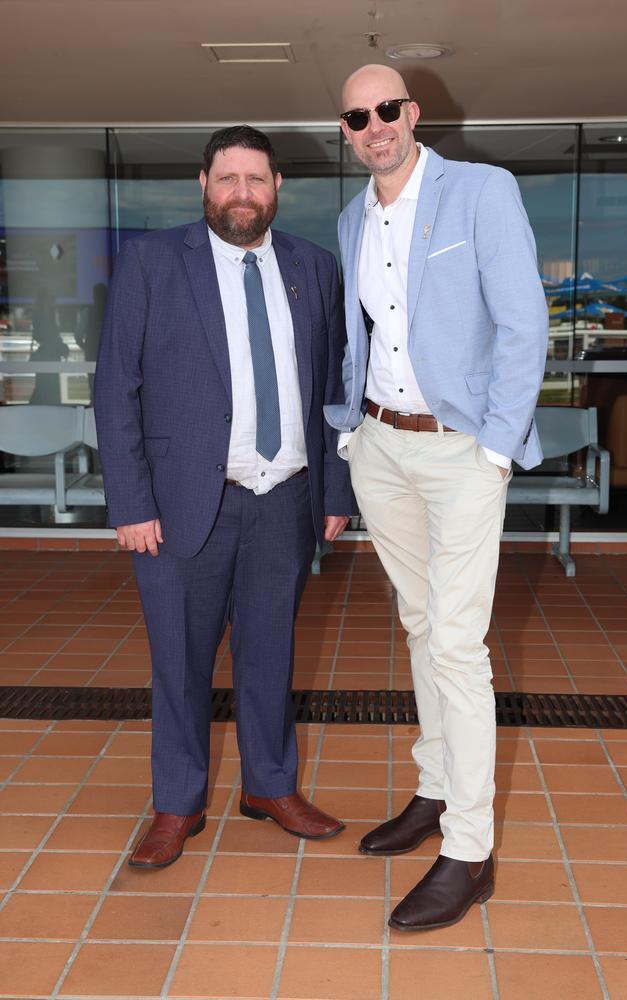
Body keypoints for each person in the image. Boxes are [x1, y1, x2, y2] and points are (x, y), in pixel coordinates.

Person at [95, 125, 356, 869]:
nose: (242, 192)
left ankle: (269, 785)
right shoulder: (151, 262)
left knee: (271, 655)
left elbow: (330, 391)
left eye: (256, 179)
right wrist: (130, 503)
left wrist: (334, 489)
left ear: (278, 190)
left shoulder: (314, 268)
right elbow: (116, 388)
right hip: (179, 506)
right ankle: (176, 803)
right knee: (179, 661)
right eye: (227, 179)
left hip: (285, 499)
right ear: (203, 187)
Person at [326, 65, 548, 930]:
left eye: (387, 108)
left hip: (461, 452)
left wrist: (495, 447)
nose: (374, 124)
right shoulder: (353, 217)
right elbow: (362, 332)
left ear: (412, 114)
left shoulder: (481, 190)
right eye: (357, 115)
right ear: (345, 130)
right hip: (381, 445)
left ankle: (470, 847)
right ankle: (434, 788)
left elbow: (524, 322)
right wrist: (351, 431)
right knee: (421, 625)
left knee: (457, 644)